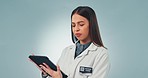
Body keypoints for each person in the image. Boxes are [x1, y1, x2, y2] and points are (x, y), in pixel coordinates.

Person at [39, 6, 110, 78]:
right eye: (73, 25)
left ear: (91, 25)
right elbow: (57, 75)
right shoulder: (66, 51)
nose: (76, 29)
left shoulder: (101, 54)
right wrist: (47, 73)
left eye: (81, 24)